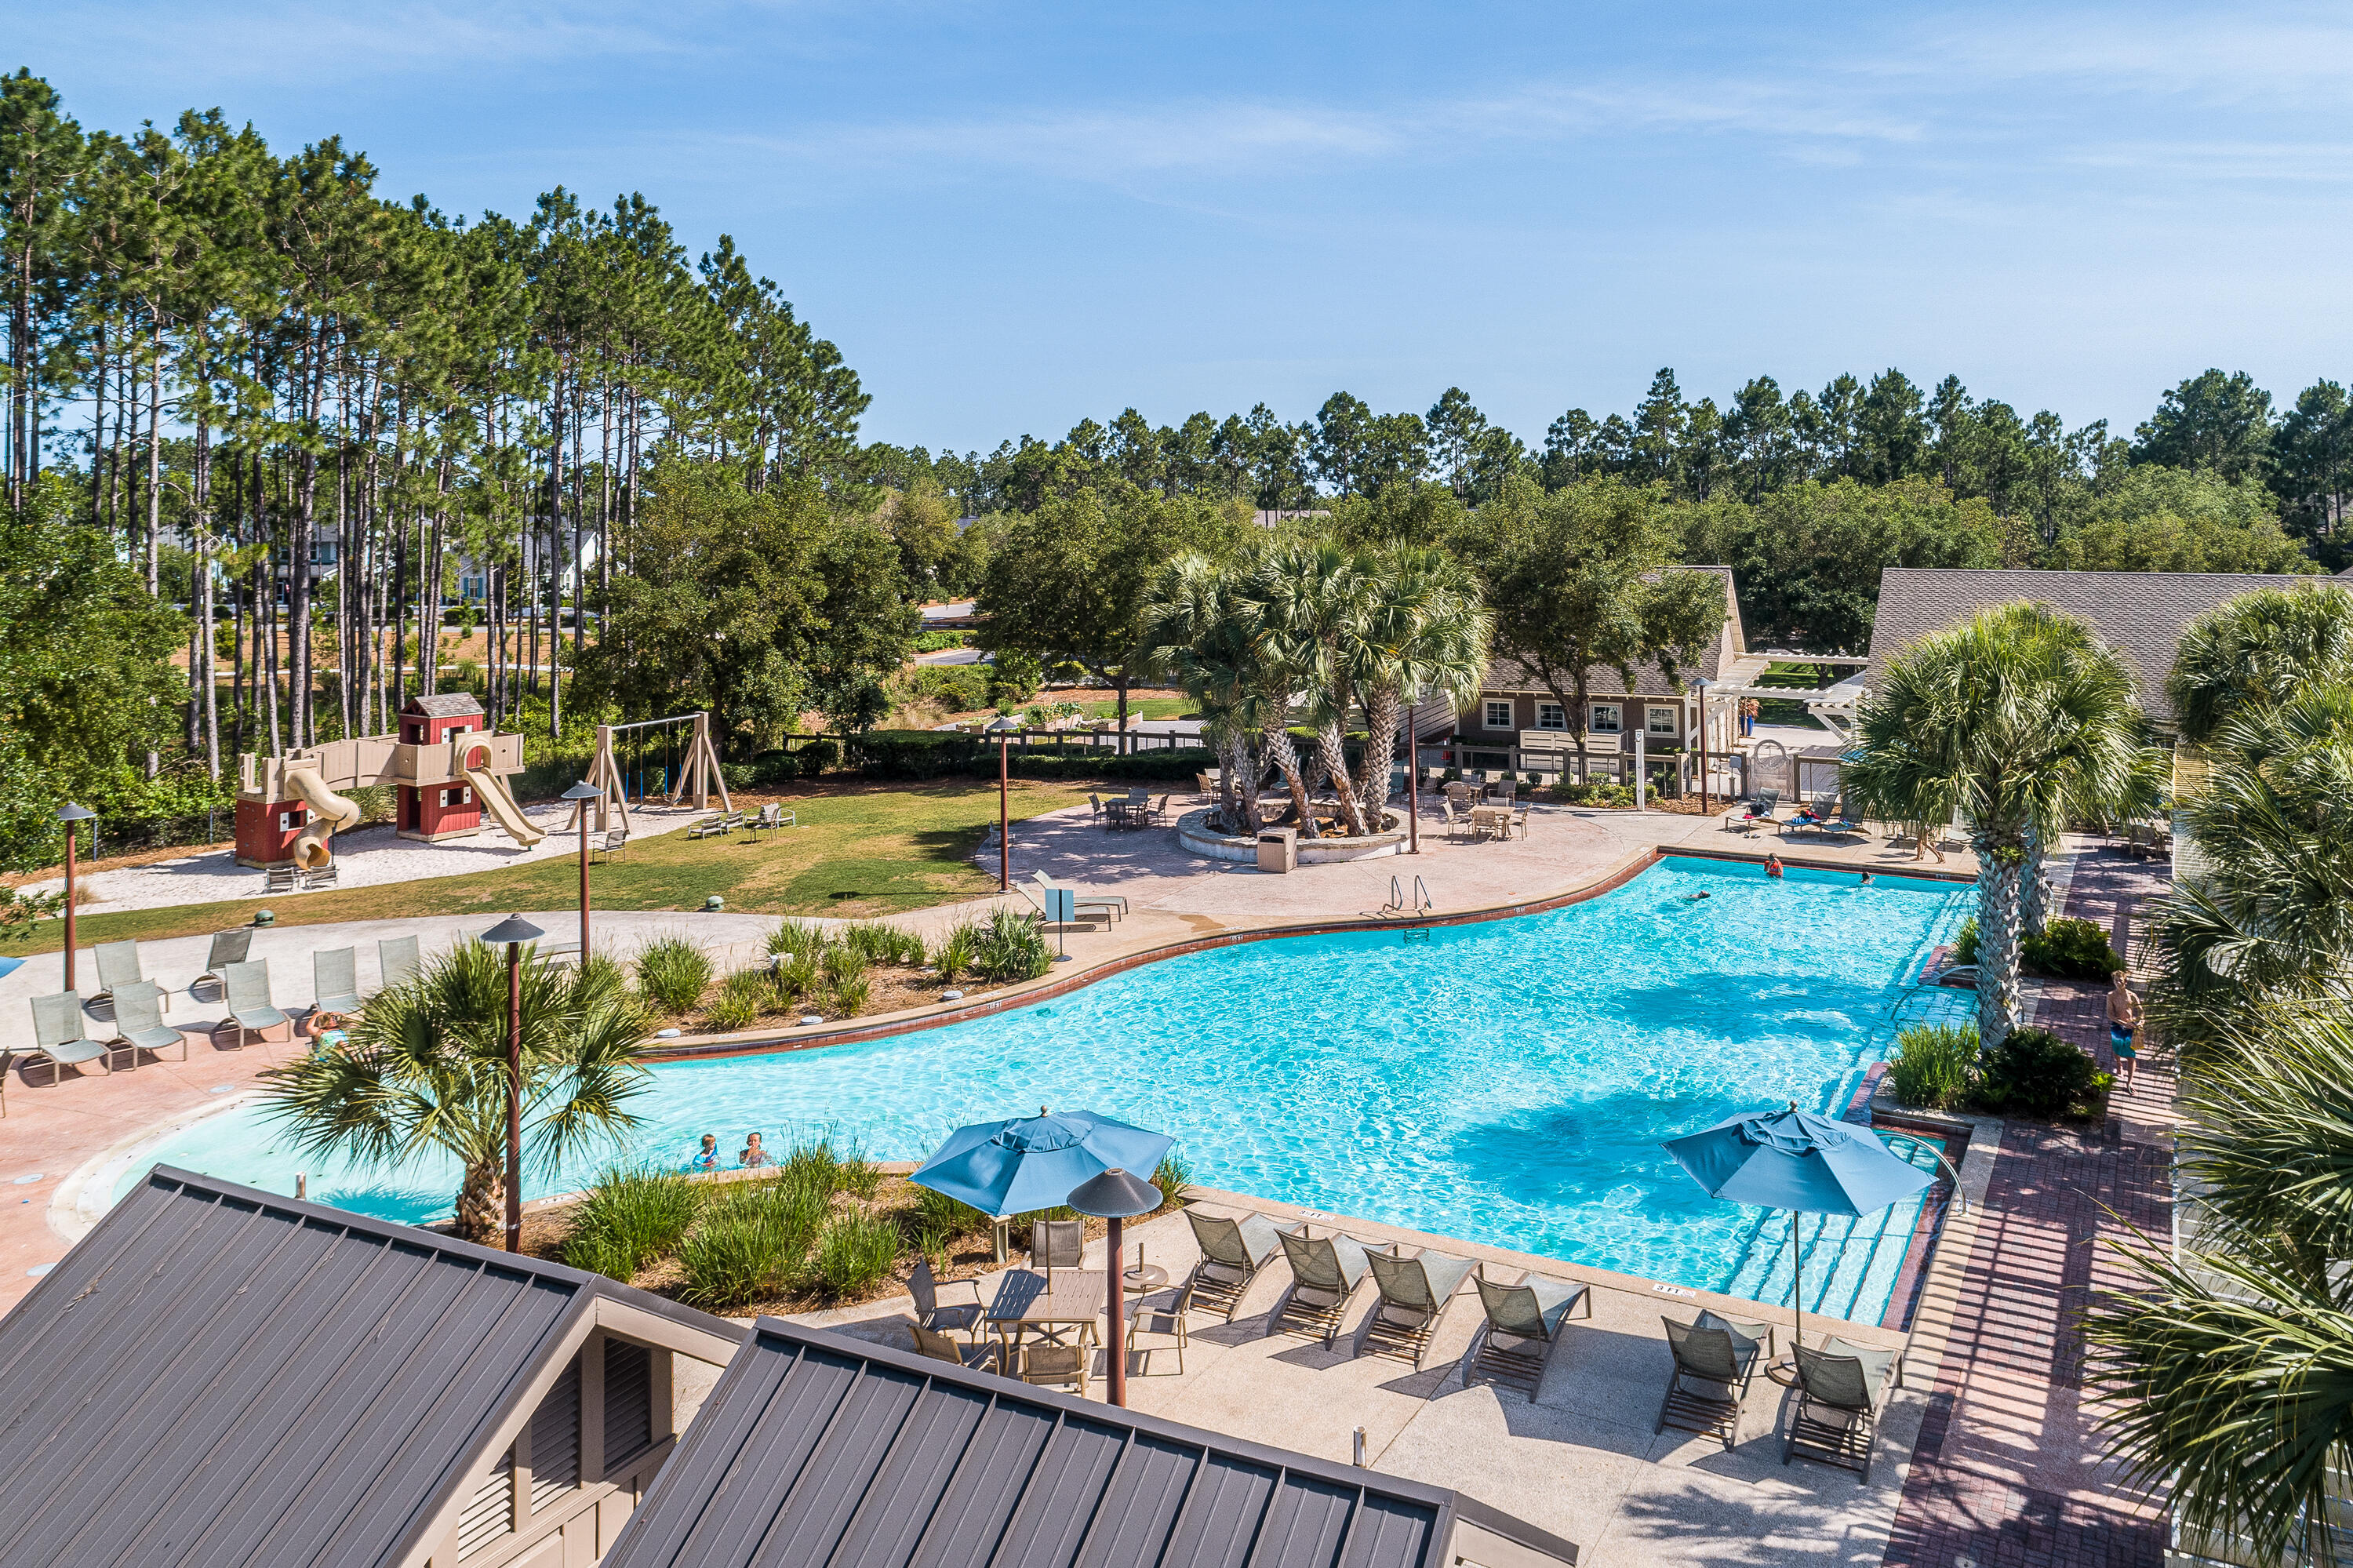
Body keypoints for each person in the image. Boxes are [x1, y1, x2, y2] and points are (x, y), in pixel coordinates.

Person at [2106, 971, 2145, 1091]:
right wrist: (2123, 1023)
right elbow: (2110, 1014)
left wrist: (2141, 1021)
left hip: (2131, 1027)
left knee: (2131, 1056)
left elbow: (2141, 1012)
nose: (2117, 983)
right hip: (2117, 1026)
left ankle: (2129, 1083)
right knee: (2117, 1050)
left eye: (2120, 981)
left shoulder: (2132, 996)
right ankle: (2118, 1064)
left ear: (2125, 982)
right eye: (2115, 981)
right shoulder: (2111, 996)